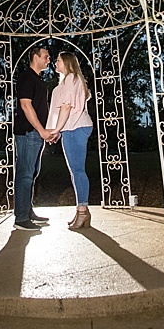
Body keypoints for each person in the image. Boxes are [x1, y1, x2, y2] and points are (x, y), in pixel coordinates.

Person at [48, 51, 94, 230]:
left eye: (58, 60)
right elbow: (61, 111)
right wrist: (58, 131)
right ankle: (82, 211)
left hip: (75, 128)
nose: (55, 63)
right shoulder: (68, 81)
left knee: (78, 171)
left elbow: (66, 108)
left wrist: (56, 130)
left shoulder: (70, 78)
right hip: (72, 128)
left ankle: (82, 211)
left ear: (66, 62)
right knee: (76, 171)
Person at [13, 45, 56, 230]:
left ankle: (27, 212)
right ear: (35, 57)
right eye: (46, 57)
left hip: (36, 133)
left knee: (31, 173)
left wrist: (47, 131)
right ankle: (21, 218)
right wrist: (41, 130)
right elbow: (25, 106)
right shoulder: (26, 77)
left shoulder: (37, 79)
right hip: (28, 133)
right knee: (25, 174)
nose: (49, 60)